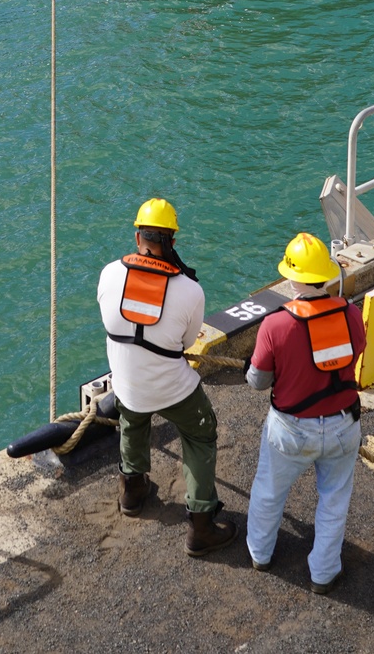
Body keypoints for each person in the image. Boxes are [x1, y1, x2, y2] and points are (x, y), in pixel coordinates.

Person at [97, 198, 236, 554]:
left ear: (136, 235)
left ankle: (132, 491)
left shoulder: (110, 274)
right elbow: (188, 342)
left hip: (126, 384)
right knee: (201, 434)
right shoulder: (190, 290)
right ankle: (201, 526)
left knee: (133, 415)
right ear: (172, 241)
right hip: (174, 389)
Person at [244, 232, 366, 594]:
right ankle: (324, 573)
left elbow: (257, 382)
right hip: (343, 425)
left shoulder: (275, 325)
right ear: (326, 276)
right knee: (334, 499)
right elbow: (354, 355)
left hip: (291, 430)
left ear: (292, 278)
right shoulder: (352, 314)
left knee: (268, 492)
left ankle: (260, 554)